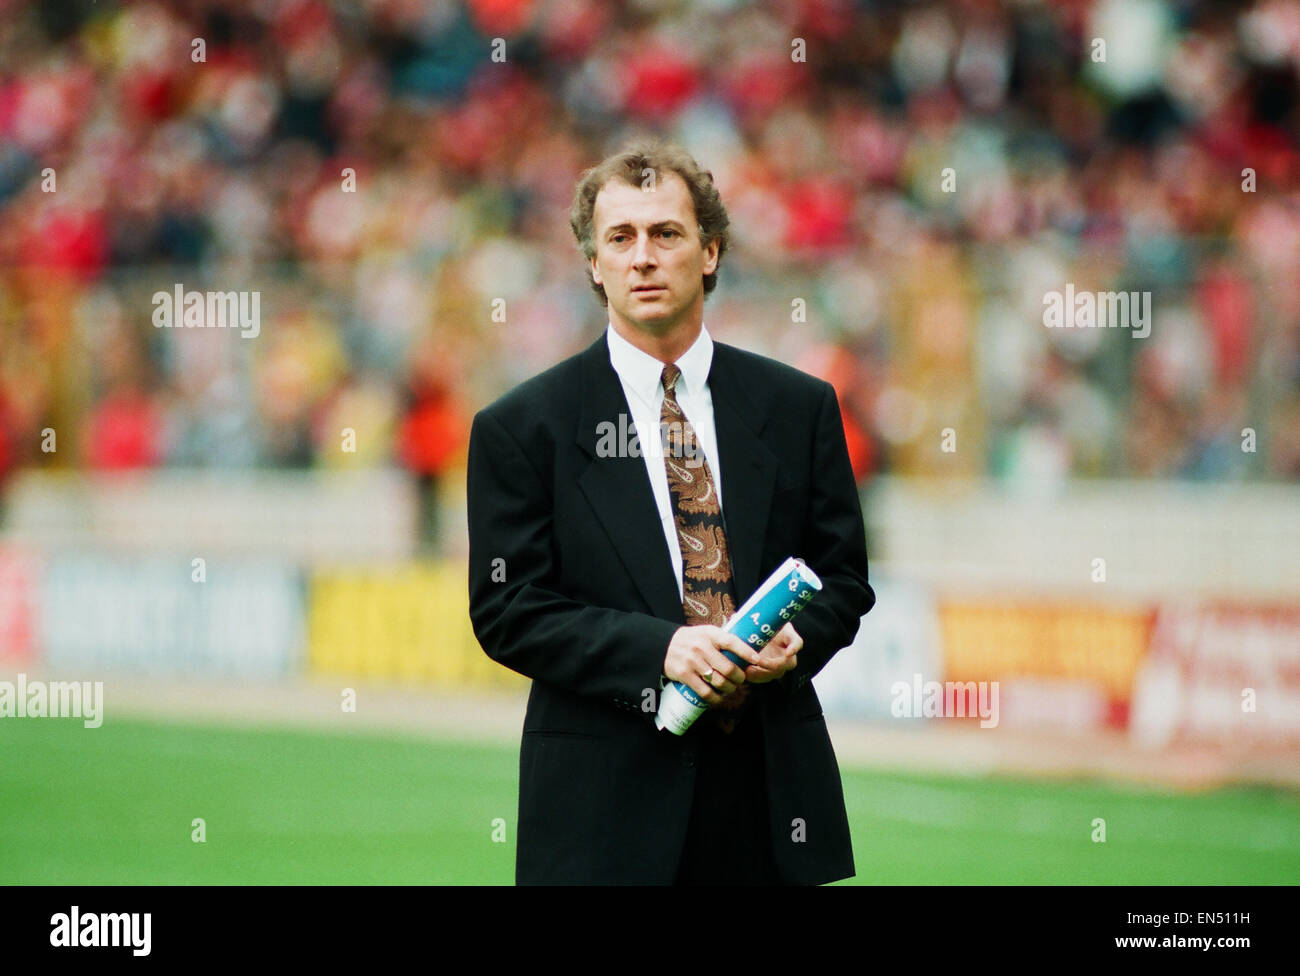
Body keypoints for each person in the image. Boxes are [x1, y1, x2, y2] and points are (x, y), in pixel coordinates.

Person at [466, 141, 875, 884]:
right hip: (601, 822)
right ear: (594, 264)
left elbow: (843, 577)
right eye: (619, 238)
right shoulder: (524, 428)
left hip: (768, 809)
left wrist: (795, 642)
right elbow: (507, 609)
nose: (642, 257)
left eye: (666, 234)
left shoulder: (797, 407)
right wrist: (662, 649)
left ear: (711, 251)